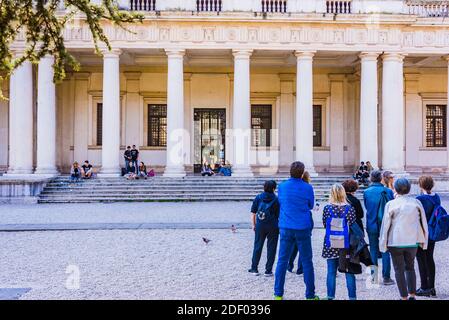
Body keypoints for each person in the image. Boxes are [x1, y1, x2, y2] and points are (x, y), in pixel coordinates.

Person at [273, 161, 318, 300]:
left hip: (286, 225)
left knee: (282, 260)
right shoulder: (307, 187)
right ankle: (310, 294)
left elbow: (281, 201)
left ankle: (278, 294)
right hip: (302, 226)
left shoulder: (282, 186)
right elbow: (310, 205)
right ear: (302, 172)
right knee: (307, 261)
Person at [380, 178, 428, 300]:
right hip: (412, 240)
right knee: (410, 267)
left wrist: (383, 244)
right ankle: (412, 294)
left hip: (395, 241)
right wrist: (424, 240)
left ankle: (404, 297)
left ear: (395, 189)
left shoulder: (391, 204)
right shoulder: (416, 202)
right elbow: (423, 223)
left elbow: (385, 225)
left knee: (398, 270)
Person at [322, 184, 358, 300]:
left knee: (331, 272)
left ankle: (330, 296)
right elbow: (352, 225)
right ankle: (352, 297)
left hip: (331, 244)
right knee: (349, 272)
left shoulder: (327, 208)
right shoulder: (350, 208)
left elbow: (325, 224)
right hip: (346, 244)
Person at [363, 170, 395, 286]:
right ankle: (386, 277)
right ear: (381, 178)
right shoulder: (388, 191)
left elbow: (367, 207)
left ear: (371, 178)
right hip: (385, 224)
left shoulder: (366, 192)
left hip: (371, 224)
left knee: (373, 250)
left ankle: (373, 277)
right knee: (385, 249)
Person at [248, 180, 280, 277]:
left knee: (257, 246)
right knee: (271, 248)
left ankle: (254, 268)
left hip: (260, 225)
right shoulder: (277, 199)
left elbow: (253, 213)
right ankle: (268, 270)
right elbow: (279, 215)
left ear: (264, 187)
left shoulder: (258, 197)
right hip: (273, 226)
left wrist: (254, 225)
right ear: (274, 188)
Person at [415, 176, 440, 297]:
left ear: (421, 185)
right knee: (430, 258)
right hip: (432, 231)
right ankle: (432, 287)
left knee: (421, 259)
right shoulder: (437, 197)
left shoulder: (419, 198)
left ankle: (424, 287)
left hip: (421, 232)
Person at [288, 171, 311, 275]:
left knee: (294, 245)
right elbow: (311, 205)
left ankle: (289, 265)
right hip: (305, 219)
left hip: (292, 219)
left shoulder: (291, 187)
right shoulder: (308, 188)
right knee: (303, 246)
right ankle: (300, 269)